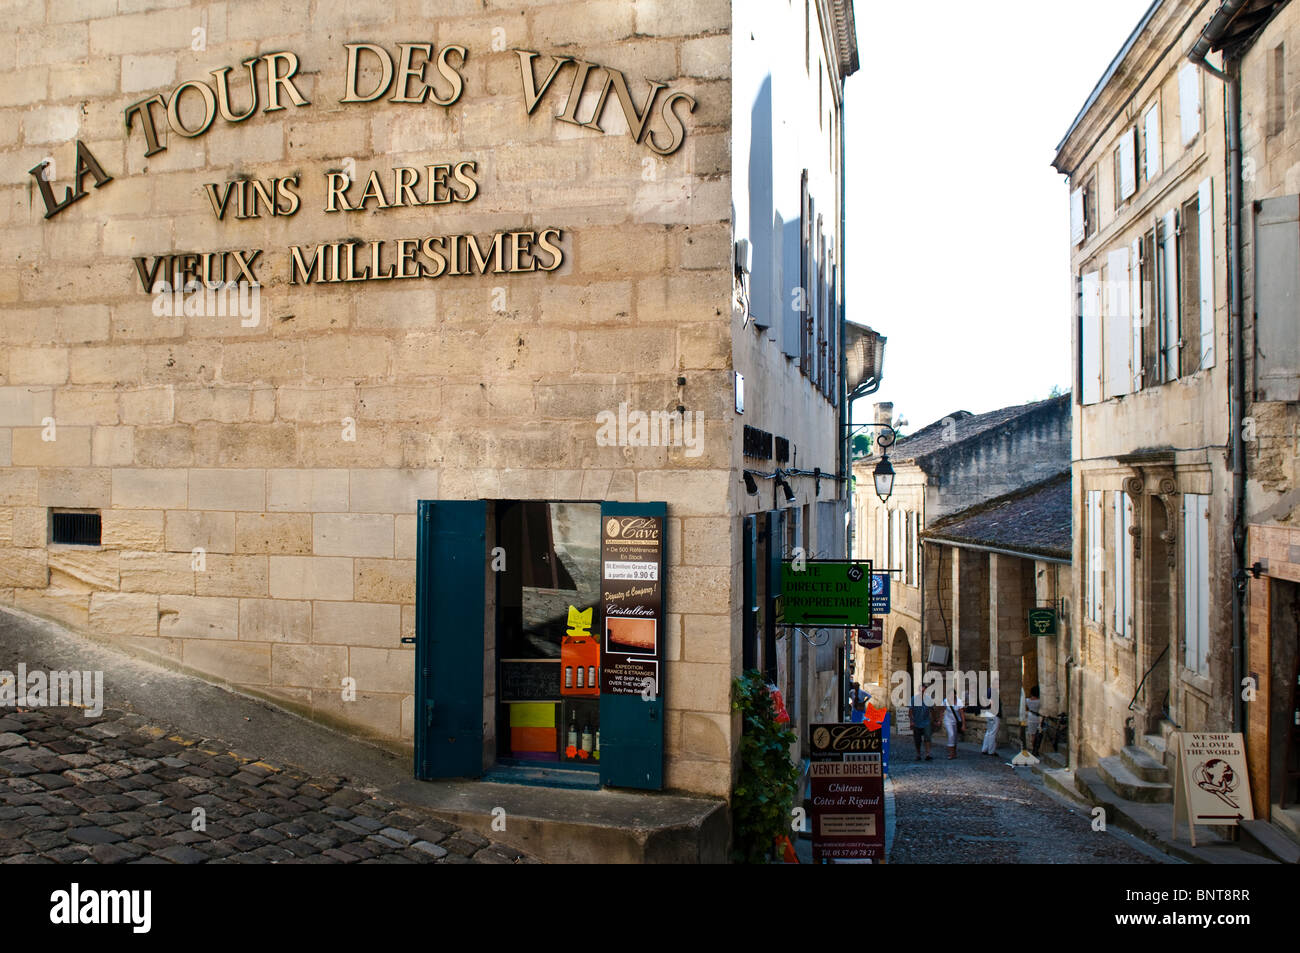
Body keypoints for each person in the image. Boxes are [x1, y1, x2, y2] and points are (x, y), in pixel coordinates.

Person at [909, 688, 932, 760]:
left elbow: (931, 710)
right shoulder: (913, 699)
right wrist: (911, 721)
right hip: (916, 722)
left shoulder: (928, 699)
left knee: (927, 737)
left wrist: (933, 720)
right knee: (917, 739)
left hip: (926, 721)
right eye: (921, 691)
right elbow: (910, 711)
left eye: (924, 691)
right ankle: (918, 754)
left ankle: (928, 754)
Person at [942, 691, 964, 759]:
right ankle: (951, 753)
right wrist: (939, 720)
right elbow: (942, 710)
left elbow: (962, 714)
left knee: (955, 737)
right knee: (951, 735)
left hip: (956, 721)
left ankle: (954, 752)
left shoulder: (959, 701)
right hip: (948, 720)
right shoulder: (946, 701)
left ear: (955, 694)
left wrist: (963, 724)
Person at [1025, 685, 1043, 756]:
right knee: (1038, 734)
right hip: (1037, 718)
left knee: (1033, 735)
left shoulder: (1028, 700)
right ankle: (1037, 749)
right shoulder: (1039, 701)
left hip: (1030, 717)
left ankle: (1034, 749)